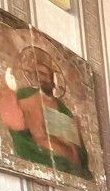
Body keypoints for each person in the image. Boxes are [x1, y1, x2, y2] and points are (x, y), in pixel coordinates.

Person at [5, 45, 92, 180]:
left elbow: (74, 152)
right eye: (37, 73)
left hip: (63, 162)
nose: (41, 78)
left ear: (53, 80)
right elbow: (19, 124)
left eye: (45, 74)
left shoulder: (62, 110)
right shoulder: (26, 97)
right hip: (37, 154)